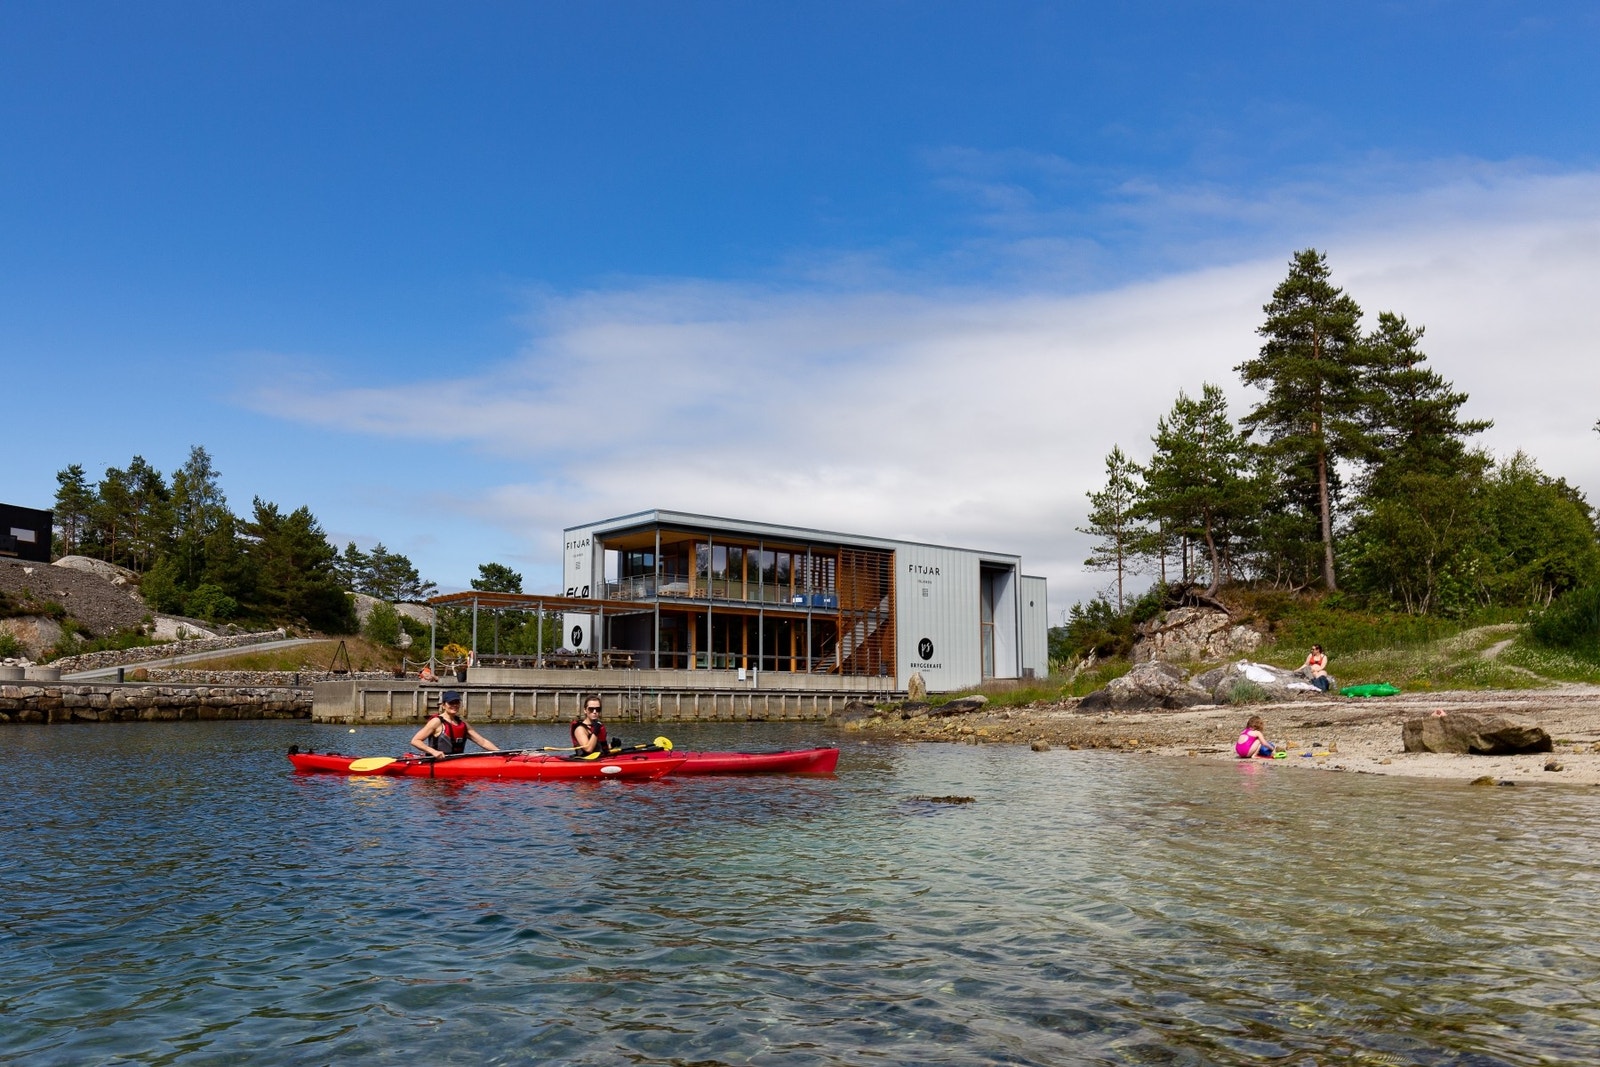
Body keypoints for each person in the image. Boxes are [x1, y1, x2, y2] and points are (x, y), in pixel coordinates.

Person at [410, 691, 500, 757]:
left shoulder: (462, 724)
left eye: (456, 702)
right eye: (451, 703)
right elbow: (415, 741)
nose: (454, 705)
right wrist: (434, 752)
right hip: (437, 761)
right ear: (444, 705)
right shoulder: (437, 722)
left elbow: (483, 742)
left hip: (456, 761)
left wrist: (501, 752)